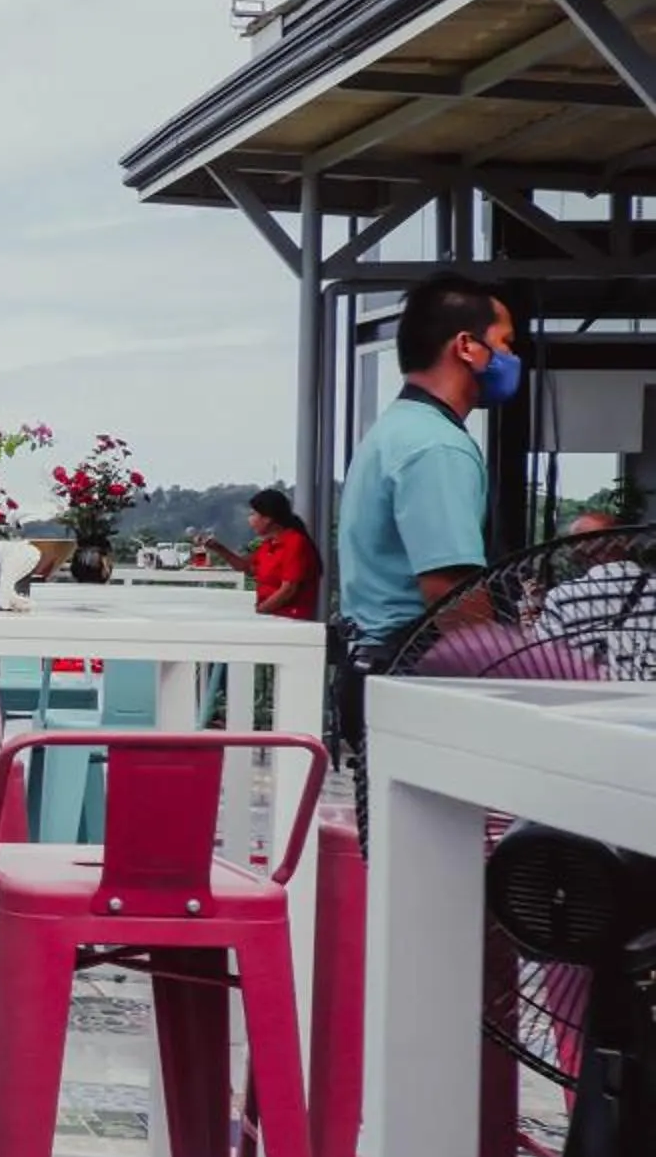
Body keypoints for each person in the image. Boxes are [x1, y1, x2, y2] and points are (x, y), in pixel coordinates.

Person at [331, 271, 516, 830]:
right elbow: (450, 591)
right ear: (467, 347)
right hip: (415, 674)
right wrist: (515, 682)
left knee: (402, 858)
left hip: (372, 666)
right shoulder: (437, 447)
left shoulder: (395, 430)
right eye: (505, 343)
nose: (512, 359)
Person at [533, 510, 656, 681]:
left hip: (589, 693)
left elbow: (544, 659)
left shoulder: (562, 597)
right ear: (626, 543)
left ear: (577, 554)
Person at [191, 488, 321, 621]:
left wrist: (261, 611)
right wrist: (219, 548)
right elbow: (247, 567)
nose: (250, 519)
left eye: (253, 514)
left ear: (268, 518)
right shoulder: (269, 544)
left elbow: (288, 589)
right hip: (272, 617)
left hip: (290, 619)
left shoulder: (295, 543)